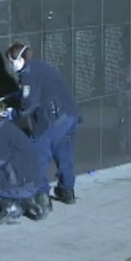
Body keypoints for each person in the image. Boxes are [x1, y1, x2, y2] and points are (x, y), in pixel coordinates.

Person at [6, 42, 81, 205]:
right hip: (69, 116)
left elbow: (29, 104)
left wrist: (11, 113)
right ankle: (67, 191)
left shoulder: (28, 74)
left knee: (38, 154)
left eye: (11, 62)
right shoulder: (40, 67)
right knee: (64, 152)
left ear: (20, 59)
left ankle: (42, 198)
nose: (11, 66)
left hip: (52, 120)